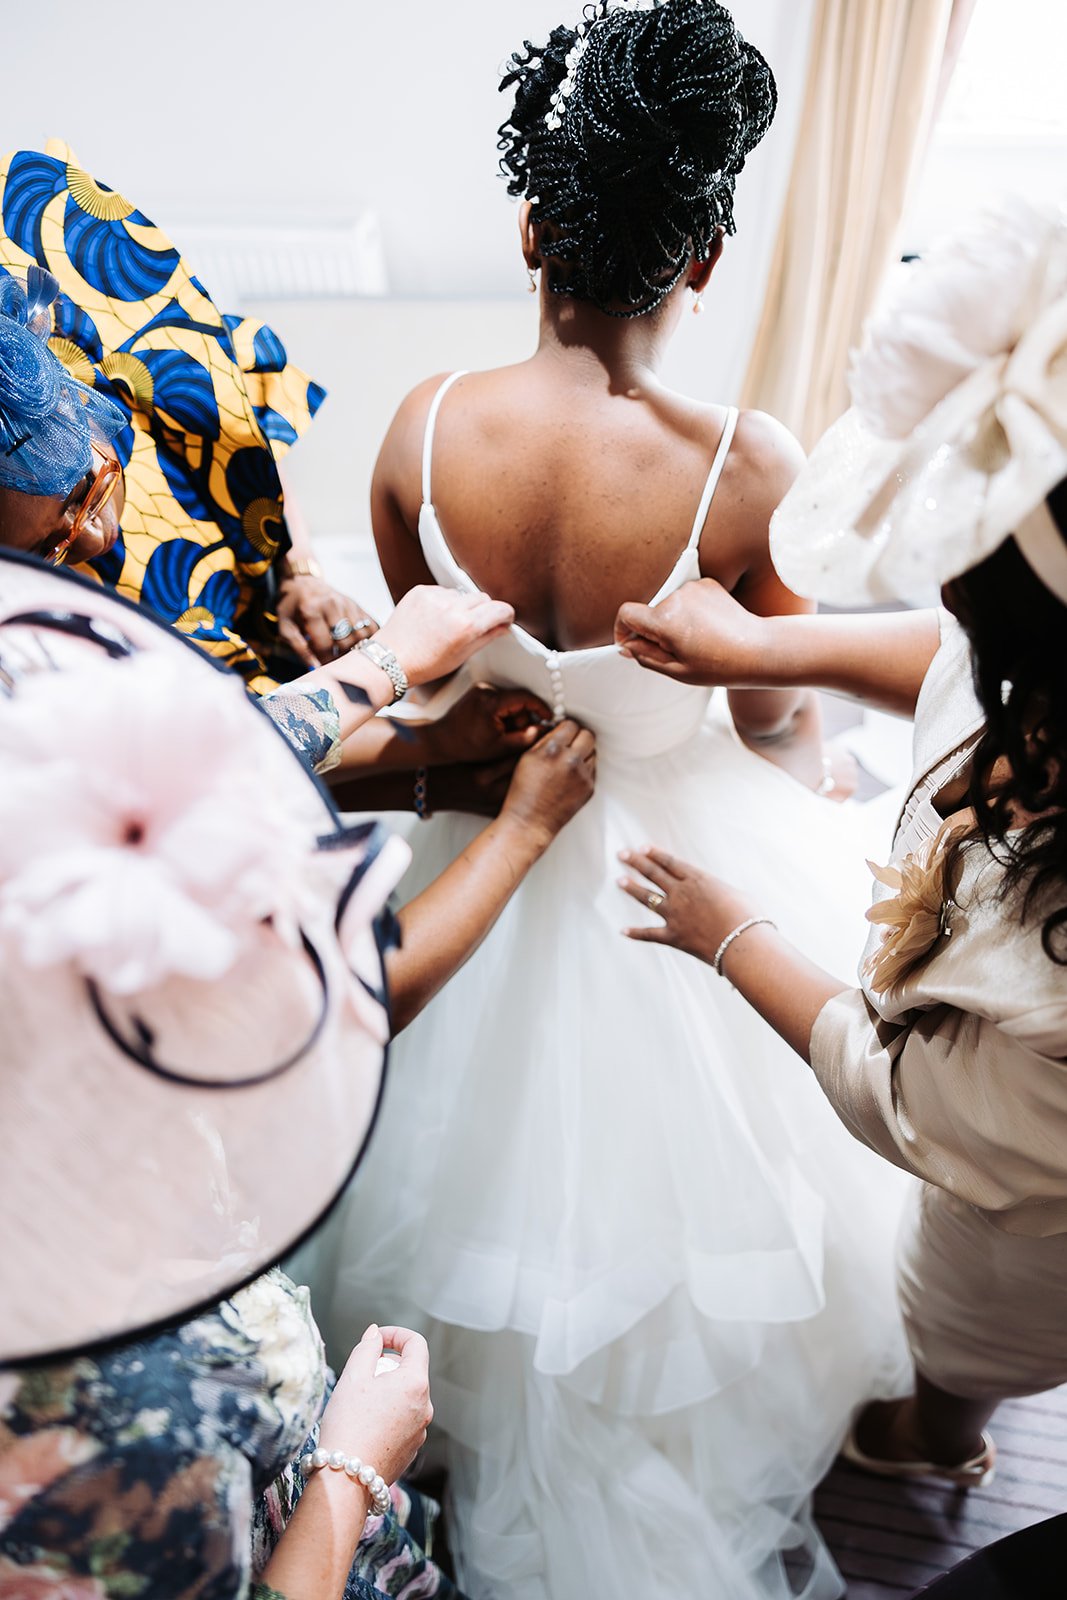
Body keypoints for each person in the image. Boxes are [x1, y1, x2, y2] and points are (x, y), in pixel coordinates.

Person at [313, 5, 911, 1596]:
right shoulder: (750, 469)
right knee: (686, 1221)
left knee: (448, 1190)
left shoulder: (421, 432)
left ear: (530, 224)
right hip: (672, 857)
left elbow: (436, 680)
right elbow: (777, 698)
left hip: (480, 846)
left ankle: (420, 1429)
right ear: (705, 260)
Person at [614, 196, 1067, 1490]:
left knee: (966, 1338)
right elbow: (960, 649)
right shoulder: (1038, 665)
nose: (947, 612)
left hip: (1030, 1235)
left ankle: (937, 1443)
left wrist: (734, 934)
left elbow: (908, 1103)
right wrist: (767, 646)